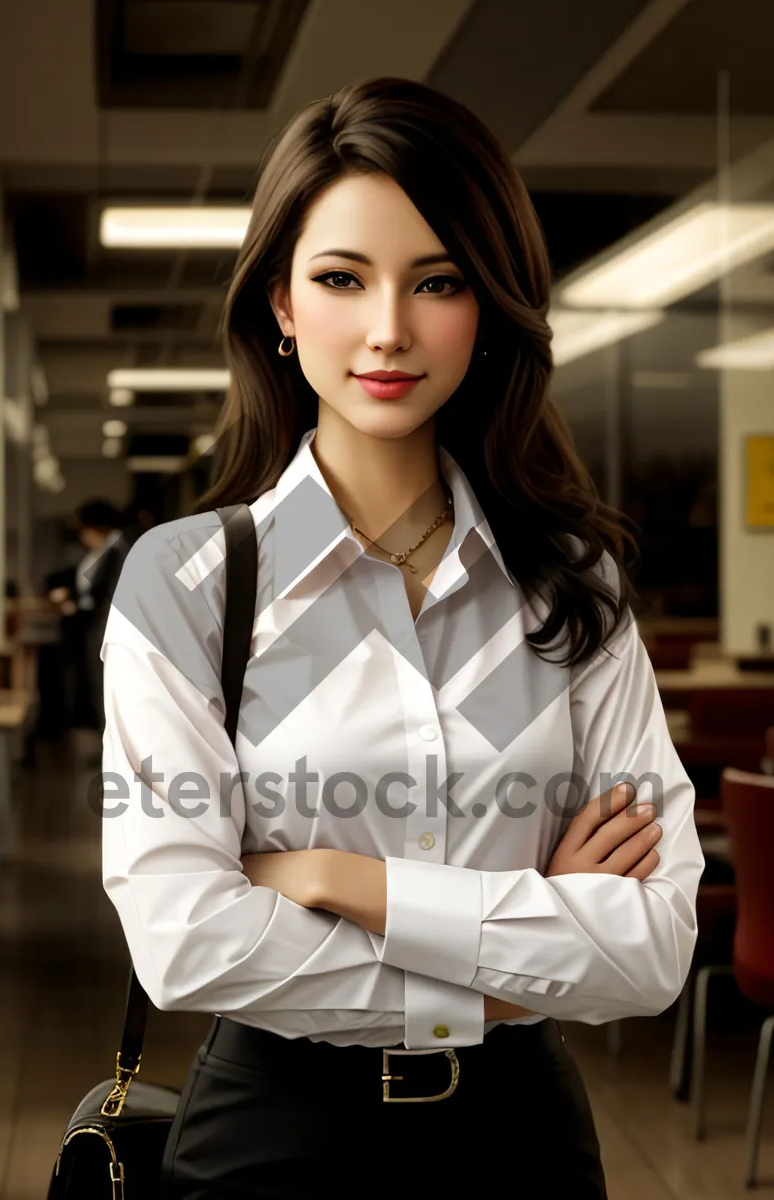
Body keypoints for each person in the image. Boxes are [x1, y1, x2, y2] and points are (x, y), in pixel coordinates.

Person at [99, 77, 703, 1197]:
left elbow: (651, 946)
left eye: (438, 282)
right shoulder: (184, 585)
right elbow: (187, 941)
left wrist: (338, 878)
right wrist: (521, 960)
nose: (389, 329)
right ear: (281, 303)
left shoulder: (572, 586)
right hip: (272, 1138)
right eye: (341, 279)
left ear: (489, 308)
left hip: (521, 1142)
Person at [53, 500, 129, 731]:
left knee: (107, 692)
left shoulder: (118, 551)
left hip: (107, 630)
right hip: (99, 628)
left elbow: (108, 593)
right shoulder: (109, 551)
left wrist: (77, 603)